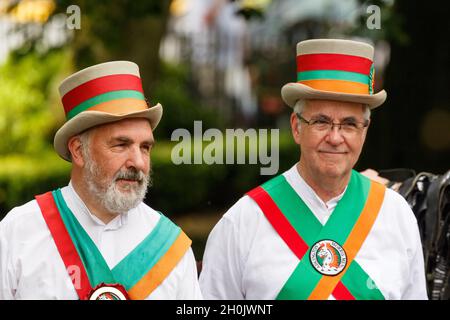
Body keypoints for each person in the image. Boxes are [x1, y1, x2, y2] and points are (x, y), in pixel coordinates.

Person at [199, 39, 428, 300]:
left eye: (350, 124)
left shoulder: (396, 215)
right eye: (321, 121)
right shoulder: (243, 222)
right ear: (297, 127)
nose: (334, 137)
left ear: (365, 131)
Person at [0, 61, 202, 300]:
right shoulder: (18, 232)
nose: (138, 162)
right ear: (78, 151)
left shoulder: (171, 247)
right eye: (121, 144)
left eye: (145, 147)